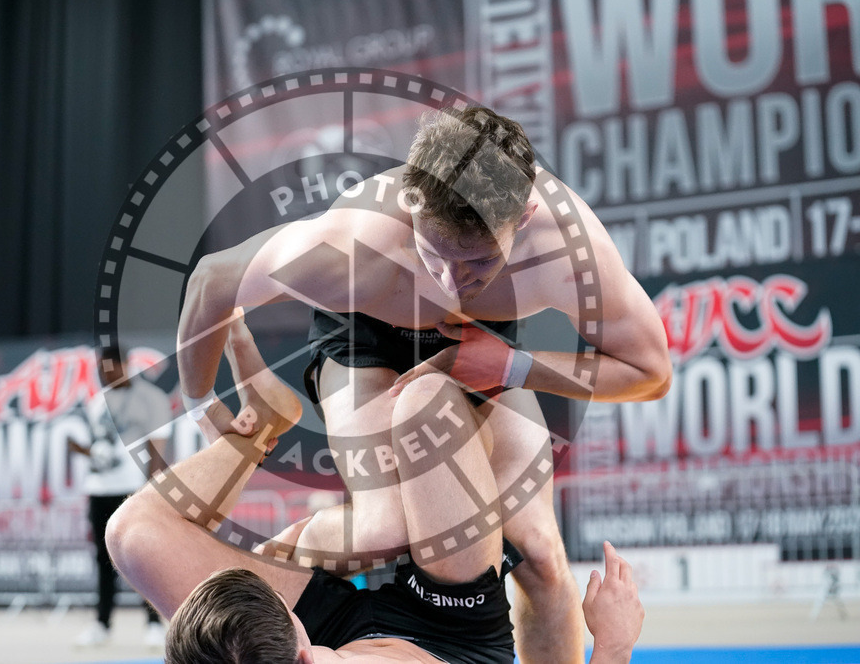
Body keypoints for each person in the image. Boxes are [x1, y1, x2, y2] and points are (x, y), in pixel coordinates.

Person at [175, 105, 670, 662]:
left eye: (479, 265)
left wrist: (513, 366)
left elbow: (651, 374)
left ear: (526, 216)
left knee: (540, 556)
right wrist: (200, 406)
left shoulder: (565, 247)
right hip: (363, 337)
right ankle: (250, 584)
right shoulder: (349, 246)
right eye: (437, 256)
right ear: (411, 205)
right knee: (384, 530)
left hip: (481, 343)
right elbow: (211, 280)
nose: (452, 282)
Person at [107, 318, 645, 664]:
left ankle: (261, 427)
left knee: (132, 535)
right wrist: (614, 646)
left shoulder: (281, 647)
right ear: (304, 655)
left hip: (312, 634)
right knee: (426, 402)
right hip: (450, 629)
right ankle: (331, 529)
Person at [68, 353, 172, 648]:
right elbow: (102, 447)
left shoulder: (150, 398)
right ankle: (102, 624)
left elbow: (158, 448)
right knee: (103, 560)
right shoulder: (96, 402)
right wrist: (81, 451)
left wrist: (151, 491)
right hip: (99, 488)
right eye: (100, 370)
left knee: (143, 559)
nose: (104, 375)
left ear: (126, 366)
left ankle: (153, 623)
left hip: (133, 490)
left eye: (110, 369)